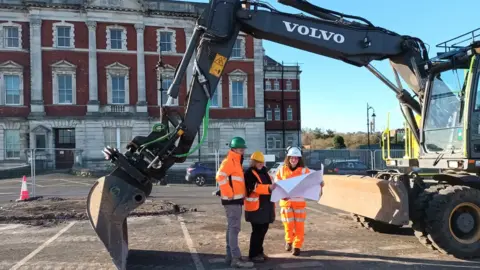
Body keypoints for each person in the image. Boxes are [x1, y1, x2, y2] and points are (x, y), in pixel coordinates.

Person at [274, 146, 324, 256]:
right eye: (292, 158)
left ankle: (297, 246)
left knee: (299, 226)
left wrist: (320, 183)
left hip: (299, 203)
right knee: (288, 225)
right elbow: (277, 184)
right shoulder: (281, 170)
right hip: (286, 203)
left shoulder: (304, 171)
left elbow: (313, 181)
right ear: (288, 158)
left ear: (299, 159)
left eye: (296, 158)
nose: (294, 160)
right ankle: (289, 241)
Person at [215, 136, 254, 268]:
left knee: (231, 228)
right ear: (234, 149)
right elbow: (220, 176)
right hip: (232, 201)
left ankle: (230, 256)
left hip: (235, 200)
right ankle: (235, 258)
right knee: (234, 228)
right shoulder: (230, 161)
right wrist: (229, 194)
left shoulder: (236, 161)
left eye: (243, 149)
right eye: (241, 149)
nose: (243, 151)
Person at [244, 151, 276, 262]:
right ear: (253, 162)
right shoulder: (249, 173)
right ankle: (253, 254)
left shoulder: (265, 172)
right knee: (257, 231)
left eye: (262, 162)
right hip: (255, 208)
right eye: (258, 162)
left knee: (263, 229)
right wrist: (269, 188)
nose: (261, 164)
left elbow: (270, 184)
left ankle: (259, 252)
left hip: (266, 207)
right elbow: (254, 187)